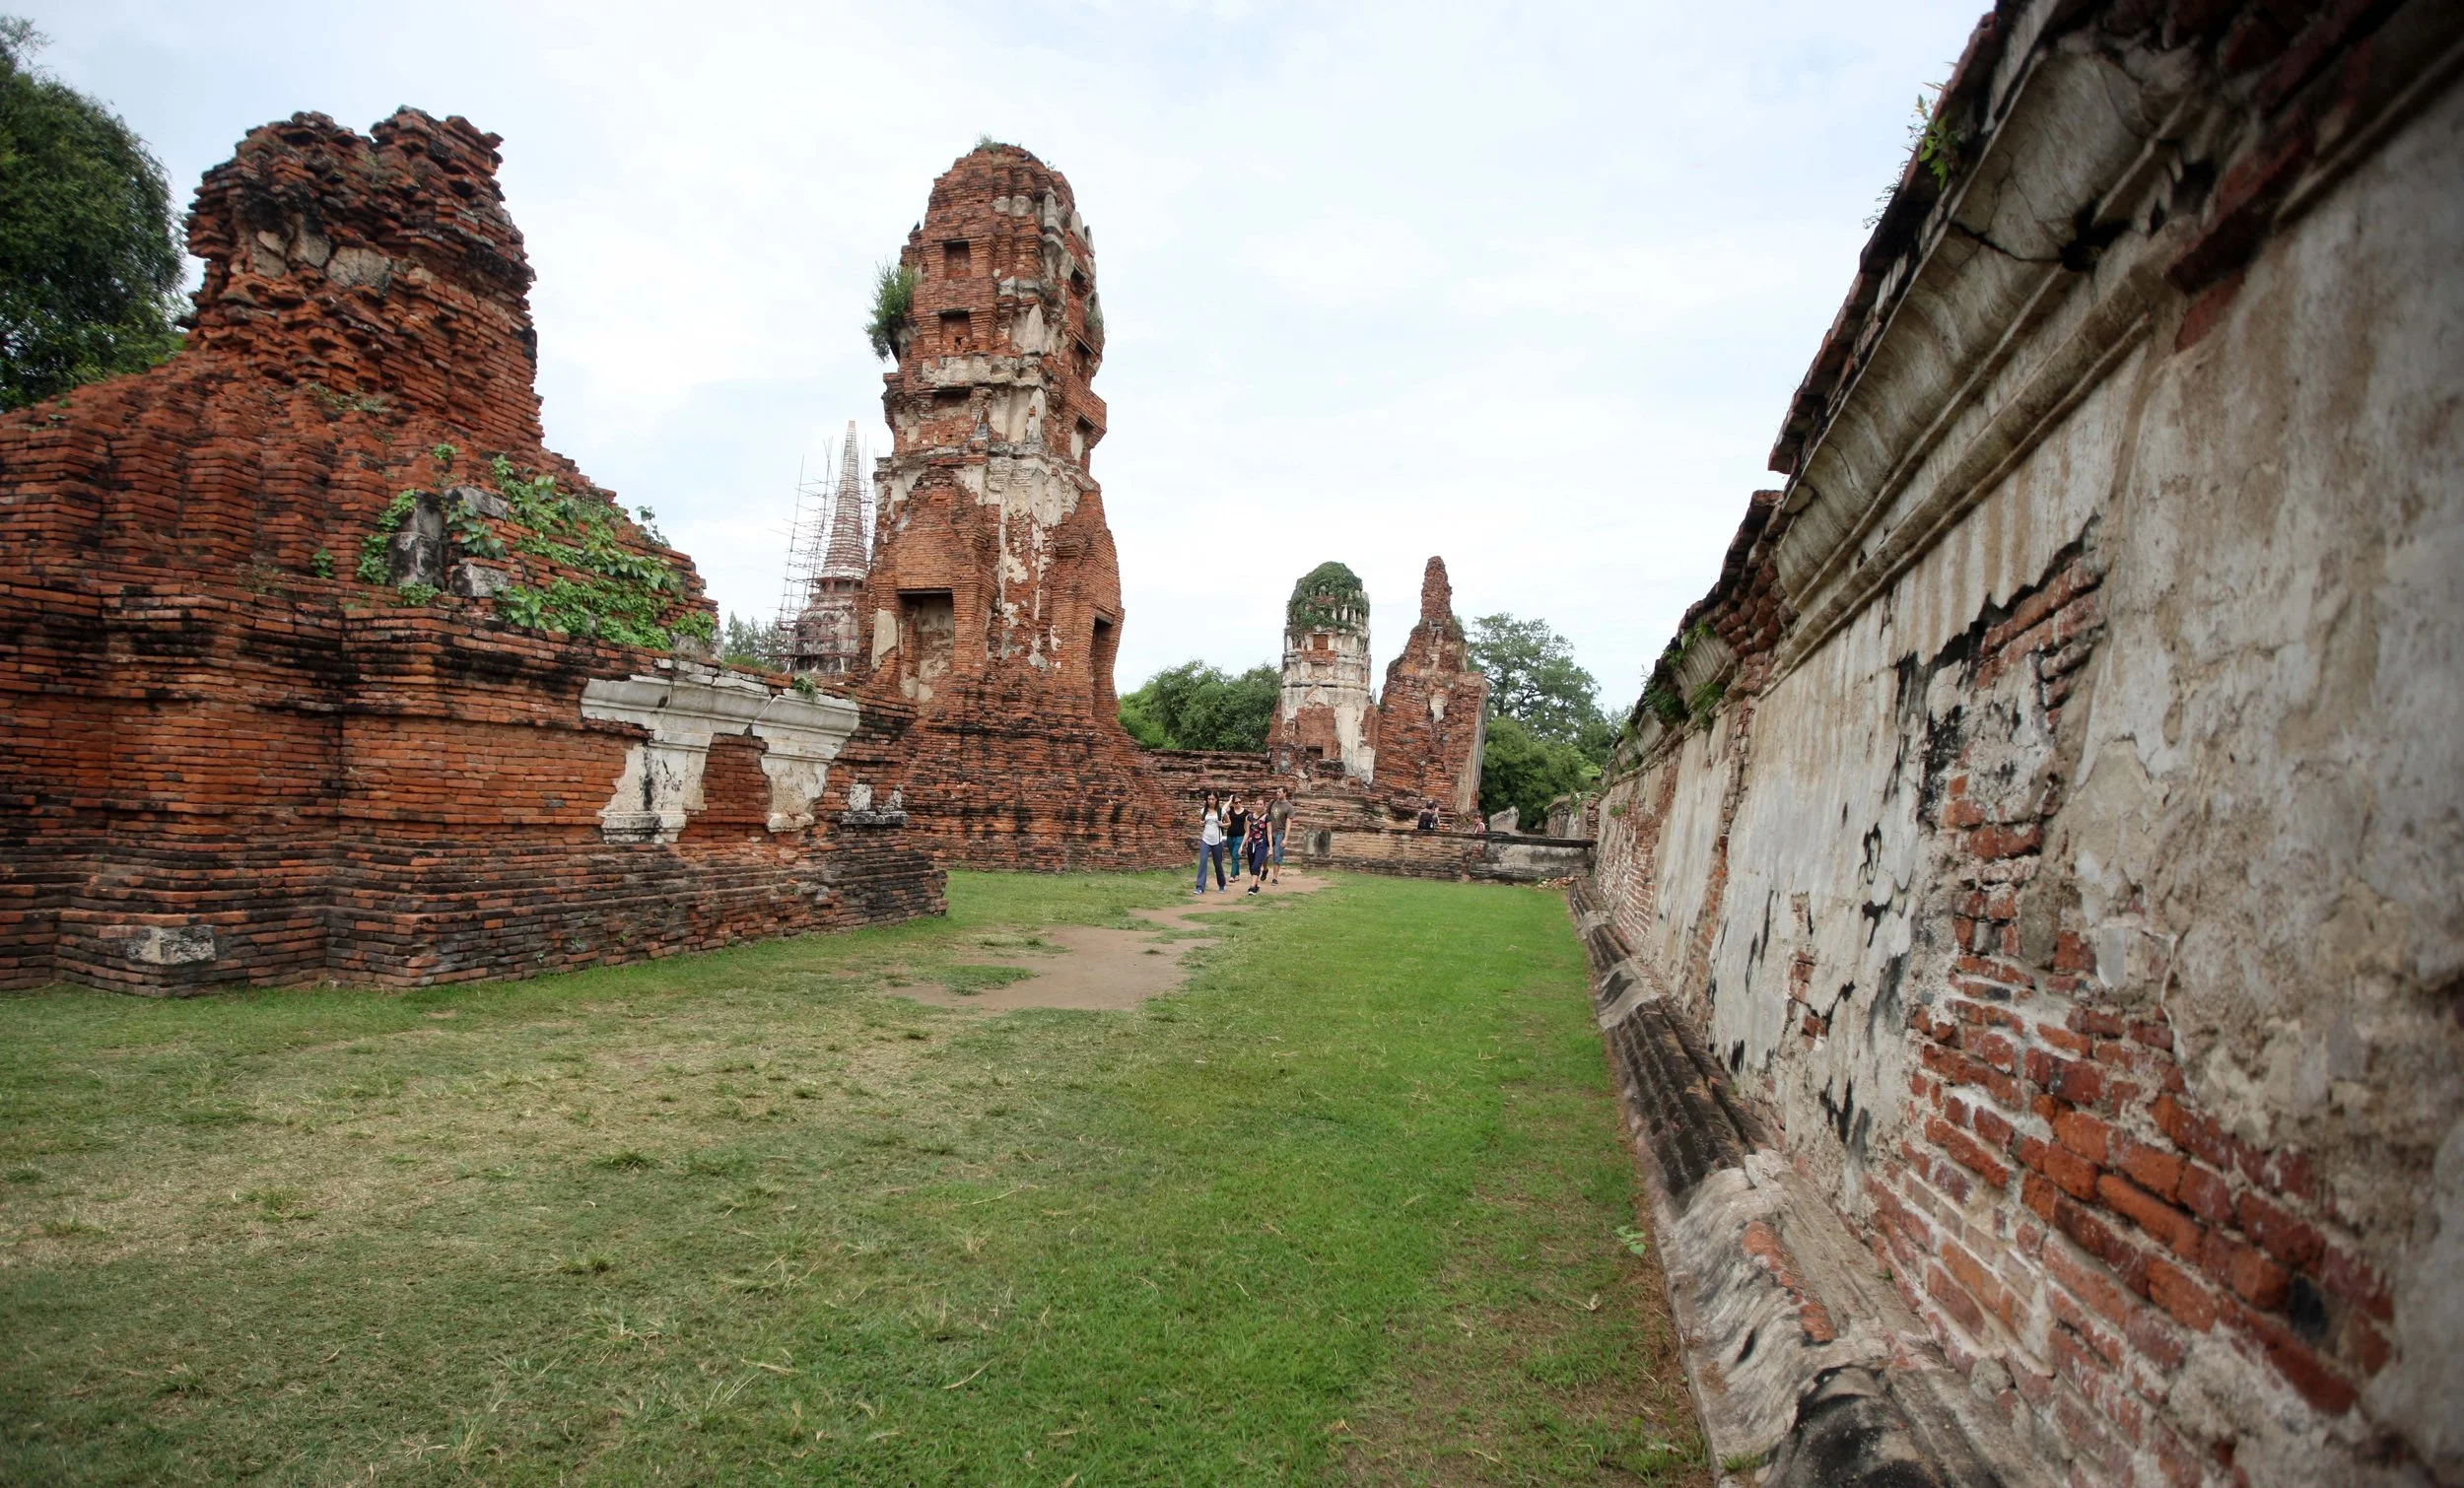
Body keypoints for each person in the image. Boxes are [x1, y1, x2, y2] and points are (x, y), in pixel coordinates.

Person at [1195, 791, 1227, 893]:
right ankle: (1200, 887)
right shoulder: (1203, 811)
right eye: (1209, 799)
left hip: (1217, 840)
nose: (1211, 801)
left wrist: (1222, 824)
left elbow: (1229, 823)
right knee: (1203, 862)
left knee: (1218, 864)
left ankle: (1221, 884)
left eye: (1213, 799)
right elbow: (1201, 822)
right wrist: (1201, 823)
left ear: (1216, 800)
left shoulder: (1221, 811)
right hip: (1206, 839)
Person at [1267, 787, 1292, 884]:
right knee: (1264, 853)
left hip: (1280, 833)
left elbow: (1289, 822)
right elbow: (1267, 815)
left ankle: (1275, 877)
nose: (1277, 793)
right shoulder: (1272, 802)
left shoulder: (1288, 807)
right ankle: (1265, 870)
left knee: (1277, 855)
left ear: (1285, 793)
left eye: (1279, 792)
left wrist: (1286, 838)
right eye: (1276, 791)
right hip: (1269, 831)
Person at [1224, 795, 1249, 883]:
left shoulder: (1245, 812)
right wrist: (1230, 800)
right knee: (1234, 856)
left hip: (1240, 836)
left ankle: (1232, 876)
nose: (1238, 804)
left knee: (1235, 854)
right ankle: (1237, 873)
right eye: (1236, 802)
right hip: (1230, 835)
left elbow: (1247, 826)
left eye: (1239, 802)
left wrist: (1246, 839)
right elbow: (1223, 810)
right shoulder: (1230, 810)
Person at [1246, 813, 1269, 894]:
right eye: (1257, 804)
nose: (1259, 806)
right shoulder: (1249, 817)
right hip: (1251, 843)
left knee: (1256, 864)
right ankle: (1256, 885)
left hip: (1261, 843)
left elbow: (1269, 833)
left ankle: (1252, 888)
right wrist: (1242, 845)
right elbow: (1247, 832)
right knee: (1252, 865)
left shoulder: (1267, 817)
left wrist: (1271, 849)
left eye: (1261, 804)